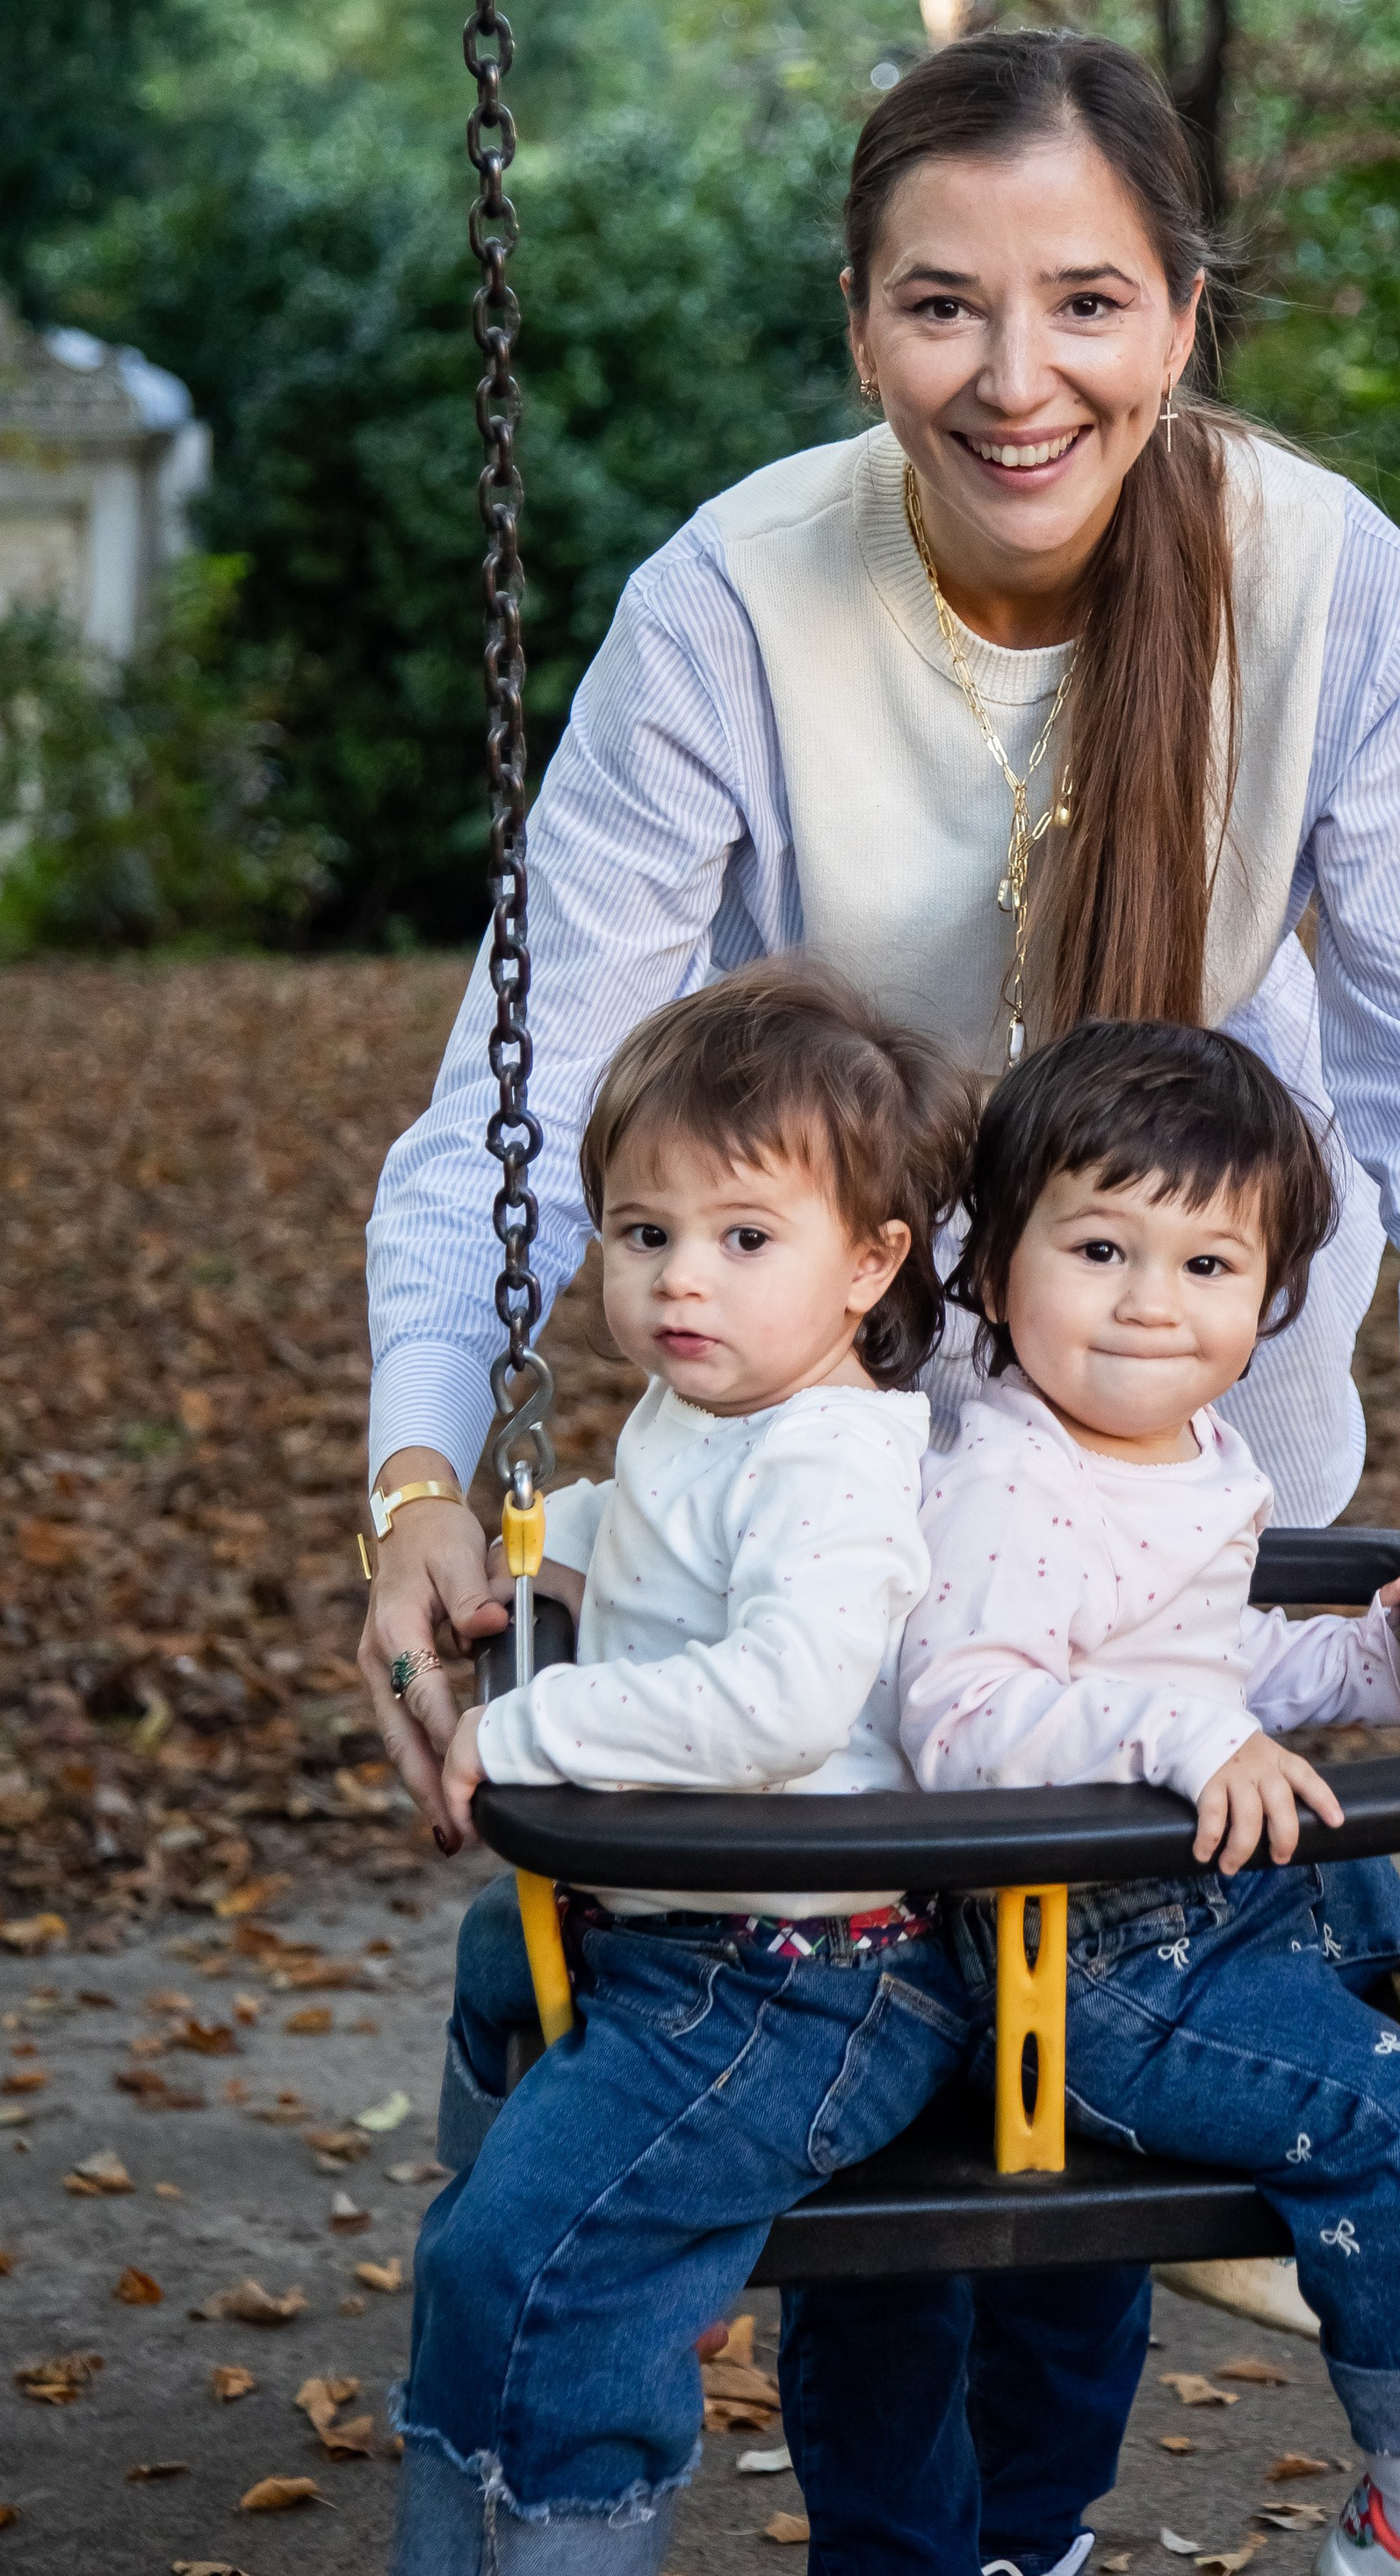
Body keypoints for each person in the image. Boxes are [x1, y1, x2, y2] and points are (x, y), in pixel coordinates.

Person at [359, 29, 1400, 2576]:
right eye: (945, 307)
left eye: (1085, 301)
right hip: (833, 1393)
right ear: (862, 325)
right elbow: (524, 1091)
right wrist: (425, 1470)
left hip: (1188, 1399)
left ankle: (1030, 2530)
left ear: (1184, 308)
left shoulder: (1323, 585)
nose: (1016, 373)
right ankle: (906, 2542)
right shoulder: (736, 595)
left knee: (1133, 2000)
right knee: (883, 2009)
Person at [906, 1017, 1400, 2576]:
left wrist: (1380, 1664)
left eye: (1207, 1267)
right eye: (1099, 1248)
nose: (1152, 1303)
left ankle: (1345, 2264)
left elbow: (1223, 1665)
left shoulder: (1183, 1450)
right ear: (996, 1263)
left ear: (1270, 1299)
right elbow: (962, 1716)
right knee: (1399, 2121)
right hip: (1076, 1958)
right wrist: (1178, 1737)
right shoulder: (1002, 1477)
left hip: (1204, 1896)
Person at [393, 963, 979, 2573]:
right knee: (493, 2020)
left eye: (741, 1238)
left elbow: (786, 1695)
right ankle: (574, 2210)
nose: (678, 1284)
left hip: (802, 1969)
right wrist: (559, 1554)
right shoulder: (705, 1411)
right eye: (643, 1235)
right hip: (688, 1936)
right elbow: (656, 1528)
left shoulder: (834, 1459)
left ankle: (555, 2497)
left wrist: (533, 1729)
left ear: (870, 1264)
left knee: (534, 2263)